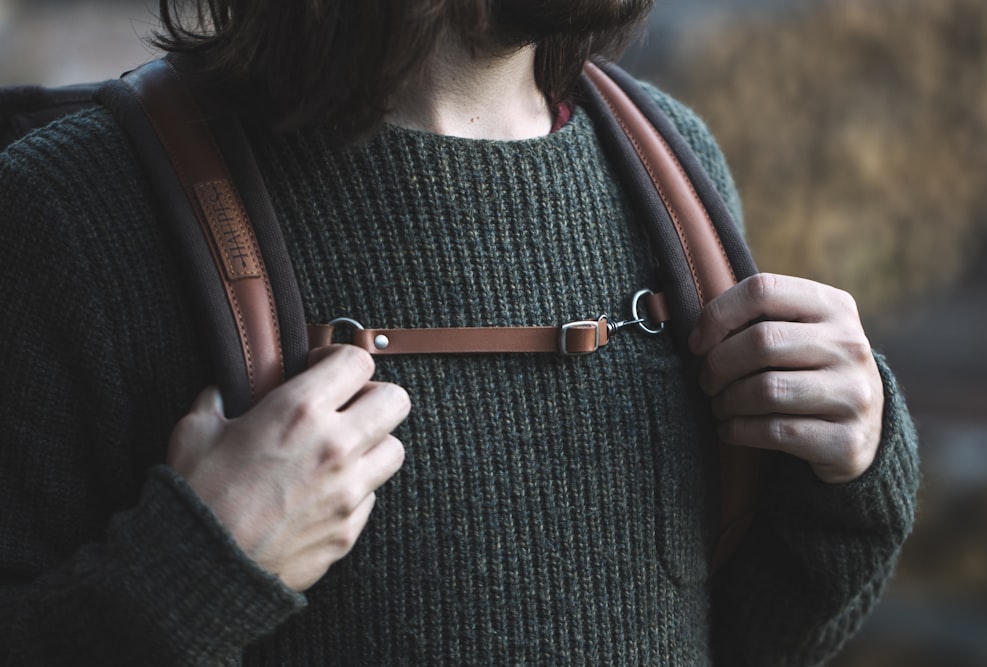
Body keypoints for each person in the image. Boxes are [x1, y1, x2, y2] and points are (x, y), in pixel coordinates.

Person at [0, 0, 919, 664]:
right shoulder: (71, 212)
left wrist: (853, 467)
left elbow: (747, 641)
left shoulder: (667, 169)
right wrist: (195, 573)